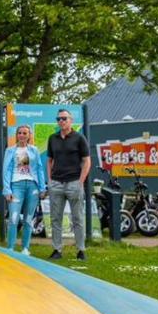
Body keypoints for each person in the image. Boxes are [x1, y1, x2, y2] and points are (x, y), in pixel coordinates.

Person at [46, 109, 91, 260]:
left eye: (64, 118)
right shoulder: (52, 138)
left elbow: (87, 161)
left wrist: (80, 181)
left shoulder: (79, 138)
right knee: (55, 219)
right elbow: (50, 160)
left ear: (71, 120)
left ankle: (81, 250)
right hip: (56, 184)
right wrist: (50, 179)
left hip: (74, 183)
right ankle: (57, 250)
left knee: (77, 218)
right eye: (58, 119)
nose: (61, 121)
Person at [2, 124, 46, 254]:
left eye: (25, 133)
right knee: (14, 218)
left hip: (32, 186)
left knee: (28, 219)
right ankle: (10, 248)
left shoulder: (34, 150)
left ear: (29, 136)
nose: (22, 135)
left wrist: (42, 188)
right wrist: (7, 190)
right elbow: (6, 170)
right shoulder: (10, 151)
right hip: (16, 186)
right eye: (19, 133)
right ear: (17, 135)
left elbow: (39, 169)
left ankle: (25, 248)